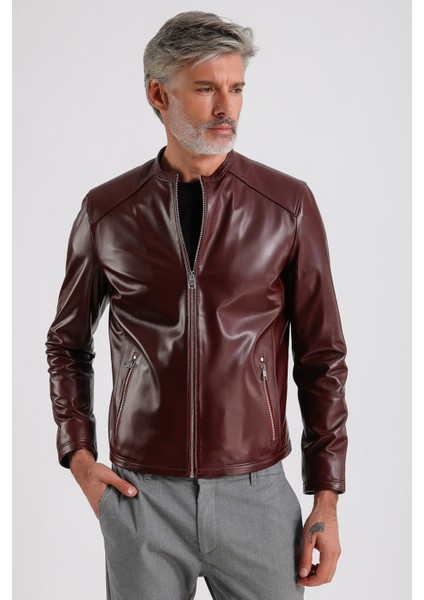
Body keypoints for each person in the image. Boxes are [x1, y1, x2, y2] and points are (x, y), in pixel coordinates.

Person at [46, 11, 348, 600]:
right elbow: (67, 342)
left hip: (257, 494)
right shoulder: (107, 211)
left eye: (236, 88)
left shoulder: (286, 205)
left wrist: (327, 496)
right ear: (159, 95)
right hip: (142, 497)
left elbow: (323, 357)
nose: (226, 108)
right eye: (206, 88)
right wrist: (79, 458)